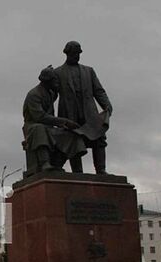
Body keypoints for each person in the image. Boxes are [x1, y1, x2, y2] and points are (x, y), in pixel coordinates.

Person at [54, 41, 113, 174]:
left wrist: (107, 105)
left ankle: (101, 170)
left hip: (89, 113)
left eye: (79, 53)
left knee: (99, 139)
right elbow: (51, 96)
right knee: (73, 141)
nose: (77, 56)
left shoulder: (89, 71)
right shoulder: (58, 73)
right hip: (69, 114)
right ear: (67, 53)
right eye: (74, 53)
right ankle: (77, 173)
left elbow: (98, 91)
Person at [23, 65, 86, 176]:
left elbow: (56, 93)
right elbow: (40, 117)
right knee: (39, 128)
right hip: (33, 127)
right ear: (47, 81)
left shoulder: (50, 93)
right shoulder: (34, 95)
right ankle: (44, 163)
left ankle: (58, 164)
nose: (57, 83)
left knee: (70, 135)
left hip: (49, 128)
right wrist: (65, 122)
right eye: (54, 81)